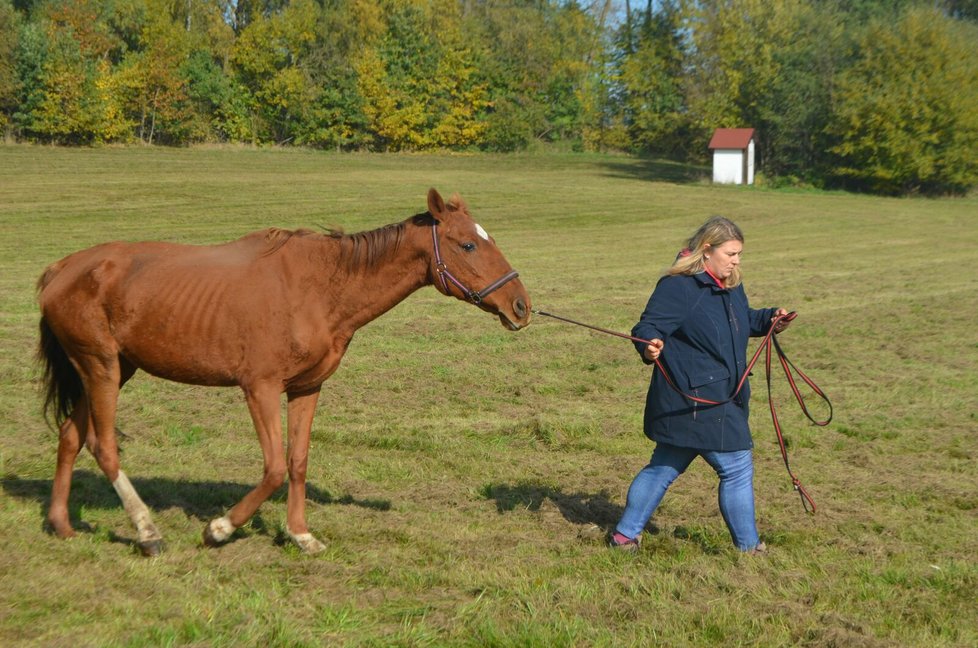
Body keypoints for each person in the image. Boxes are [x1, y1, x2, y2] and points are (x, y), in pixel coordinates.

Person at [610, 216, 790, 554]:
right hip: (699, 400)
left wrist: (768, 319)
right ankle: (750, 549)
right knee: (736, 468)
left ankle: (624, 537)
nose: (737, 261)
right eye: (731, 254)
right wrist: (648, 345)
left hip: (718, 396)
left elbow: (740, 319)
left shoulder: (729, 284)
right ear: (707, 250)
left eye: (739, 254)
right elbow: (648, 325)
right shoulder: (679, 287)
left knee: (664, 466)